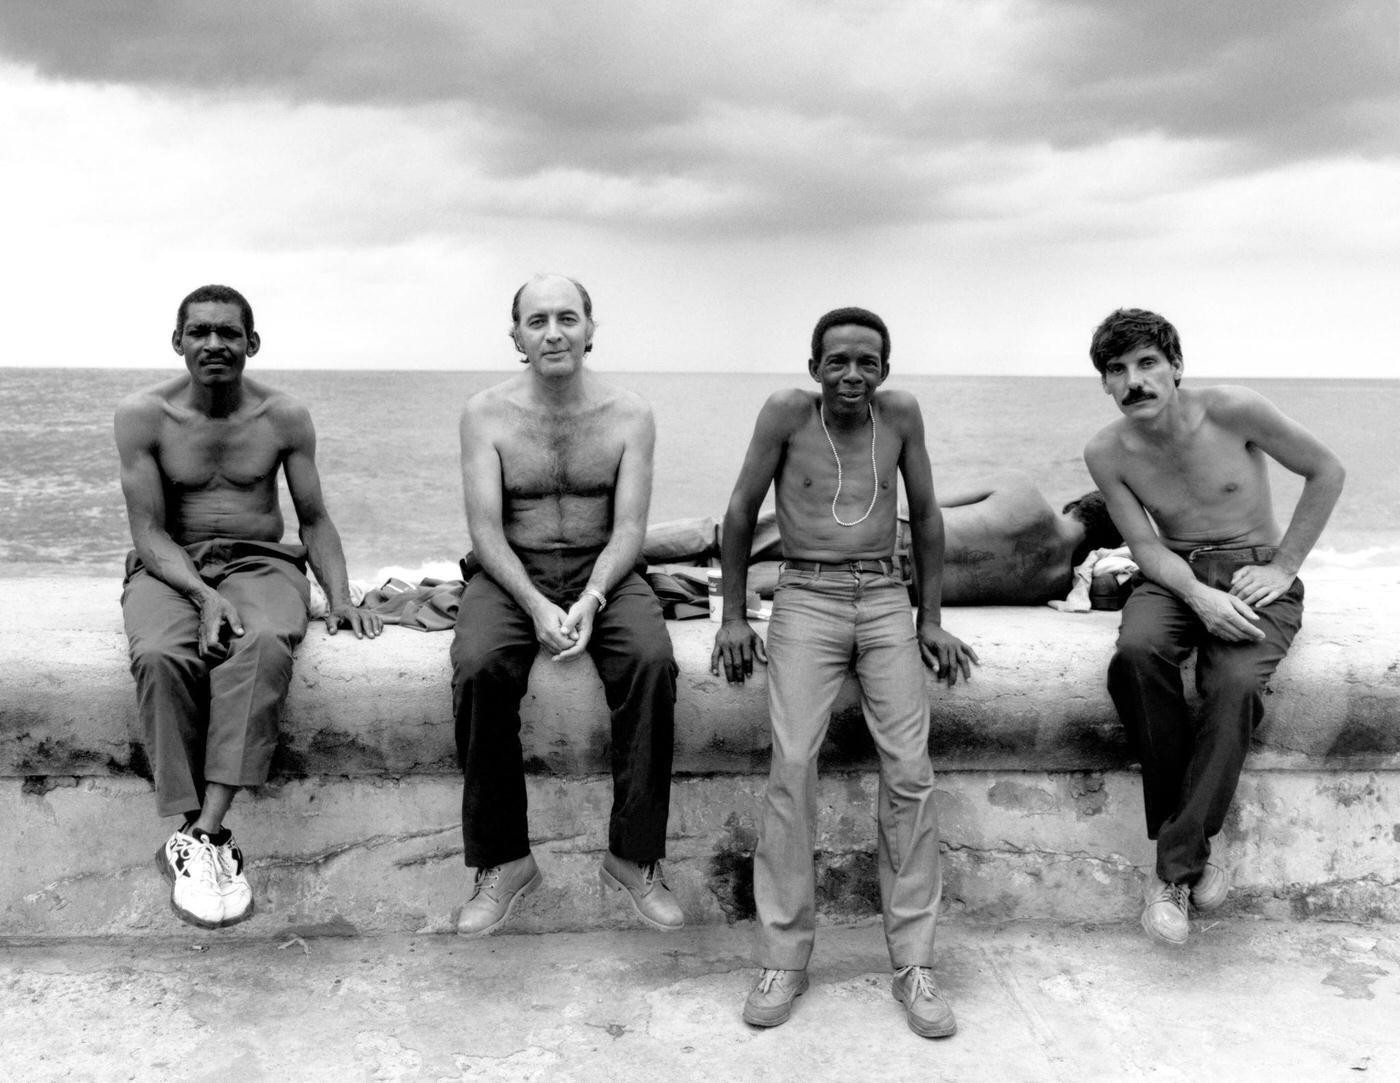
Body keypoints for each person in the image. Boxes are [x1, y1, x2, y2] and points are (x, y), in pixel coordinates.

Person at [711, 306, 978, 1037]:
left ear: (885, 369)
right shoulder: (785, 415)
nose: (853, 374)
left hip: (886, 597)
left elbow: (926, 516)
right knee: (792, 762)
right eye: (838, 361)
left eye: (867, 361)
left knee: (911, 768)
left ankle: (915, 962)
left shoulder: (901, 415)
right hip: (806, 596)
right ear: (814, 367)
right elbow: (738, 512)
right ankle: (783, 958)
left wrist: (930, 617)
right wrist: (734, 615)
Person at [116, 284, 382, 931]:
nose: (214, 344)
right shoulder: (141, 415)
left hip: (261, 561)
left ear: (251, 343)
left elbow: (314, 518)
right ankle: (196, 835)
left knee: (263, 643)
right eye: (200, 332)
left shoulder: (283, 416)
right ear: (178, 342)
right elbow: (148, 531)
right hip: (171, 562)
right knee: (159, 654)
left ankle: (201, 836)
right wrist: (204, 596)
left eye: (228, 333)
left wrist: (340, 596)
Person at [1082, 308, 1344, 946]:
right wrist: (1197, 596)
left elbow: (1326, 471)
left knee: (1232, 688)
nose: (1134, 381)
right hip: (1175, 576)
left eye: (1147, 363)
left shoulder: (1235, 409)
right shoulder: (1106, 451)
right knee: (1136, 655)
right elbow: (1144, 545)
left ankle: (1173, 870)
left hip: (1257, 573)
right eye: (1117, 371)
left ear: (1176, 368)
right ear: (1106, 385)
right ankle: (1192, 850)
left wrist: (1284, 565)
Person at [450, 274, 682, 937]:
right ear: (517, 337)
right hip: (509, 570)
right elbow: (486, 531)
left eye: (568, 318)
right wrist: (532, 604)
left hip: (601, 566)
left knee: (651, 660)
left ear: (590, 328)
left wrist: (591, 597)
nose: (554, 332)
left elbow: (631, 528)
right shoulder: (484, 413)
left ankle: (634, 857)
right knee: (477, 664)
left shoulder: (630, 414)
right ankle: (503, 861)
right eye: (538, 321)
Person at [915, 472, 1121, 605]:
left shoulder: (1021, 489)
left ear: (1075, 504)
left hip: (887, 543)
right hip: (900, 590)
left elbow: (916, 505)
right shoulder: (1057, 586)